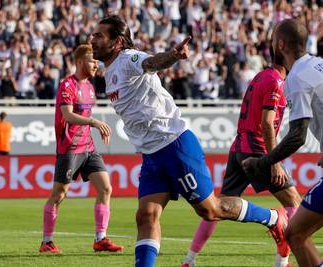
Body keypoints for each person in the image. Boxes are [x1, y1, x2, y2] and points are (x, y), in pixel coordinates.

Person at [90, 15, 289, 267]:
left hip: (175, 146)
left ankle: (274, 218)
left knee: (211, 210)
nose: (92, 40)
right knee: (146, 216)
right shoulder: (110, 72)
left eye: (99, 36)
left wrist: (173, 56)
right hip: (151, 155)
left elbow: (151, 62)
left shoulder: (128, 58)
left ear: (117, 41)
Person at [182, 47, 302, 267]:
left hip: (239, 146)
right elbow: (266, 122)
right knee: (293, 201)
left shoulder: (260, 76)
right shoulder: (276, 82)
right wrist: (273, 160)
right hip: (257, 149)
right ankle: (283, 261)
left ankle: (189, 259)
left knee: (218, 207)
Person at [243, 19, 323, 267]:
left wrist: (263, 162)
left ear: (281, 44)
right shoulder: (319, 64)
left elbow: (297, 135)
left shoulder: (296, 76)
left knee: (295, 234)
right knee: (296, 233)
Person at [39, 44, 123, 253]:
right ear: (79, 62)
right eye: (92, 60)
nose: (96, 64)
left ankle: (100, 238)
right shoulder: (67, 85)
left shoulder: (91, 87)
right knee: (60, 194)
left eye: (96, 61)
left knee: (106, 188)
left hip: (88, 147)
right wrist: (94, 122)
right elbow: (67, 116)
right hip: (69, 148)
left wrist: (93, 126)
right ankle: (47, 242)